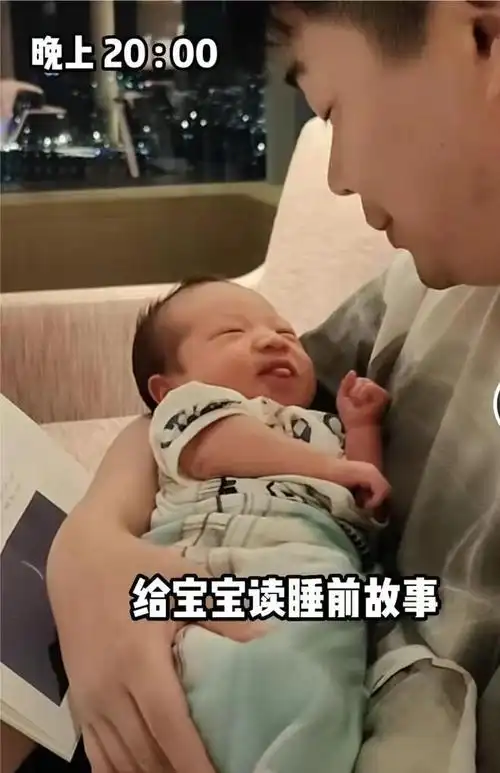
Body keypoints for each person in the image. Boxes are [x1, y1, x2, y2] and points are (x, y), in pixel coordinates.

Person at [8, 2, 499, 772]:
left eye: (332, 111)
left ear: (484, 36)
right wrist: (91, 541)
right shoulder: (428, 288)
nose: (337, 178)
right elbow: (219, 406)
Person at [132, 277, 390, 773]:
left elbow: (364, 498)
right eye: (232, 333)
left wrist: (361, 430)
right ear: (167, 387)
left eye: (286, 333)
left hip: (319, 574)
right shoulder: (187, 410)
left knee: (322, 696)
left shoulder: (322, 428)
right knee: (204, 688)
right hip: (211, 564)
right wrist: (333, 468)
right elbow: (215, 450)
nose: (273, 339)